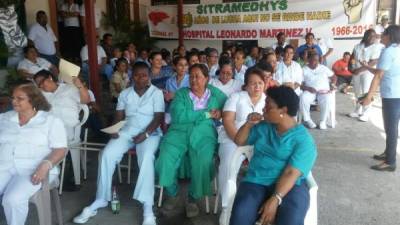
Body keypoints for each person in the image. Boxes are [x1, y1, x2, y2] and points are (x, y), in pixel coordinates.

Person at [73, 62, 165, 225]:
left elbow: (158, 117)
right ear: (132, 76)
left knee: (146, 158)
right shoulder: (125, 93)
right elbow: (119, 115)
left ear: (149, 76)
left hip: (150, 133)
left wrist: (145, 134)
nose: (140, 78)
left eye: (144, 75)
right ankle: (101, 198)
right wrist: (114, 129)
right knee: (107, 154)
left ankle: (148, 207)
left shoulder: (156, 93)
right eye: (137, 75)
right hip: (127, 131)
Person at [230, 85, 317, 225]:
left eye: (268, 106)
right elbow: (239, 141)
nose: (263, 109)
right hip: (256, 180)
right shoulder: (264, 127)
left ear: (283, 110)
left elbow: (291, 172)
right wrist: (248, 124)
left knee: (292, 219)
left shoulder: (304, 140)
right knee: (241, 214)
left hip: (290, 185)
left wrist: (275, 199)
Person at [156, 63, 227, 218]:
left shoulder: (216, 95)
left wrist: (221, 112)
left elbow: (228, 110)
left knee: (204, 161)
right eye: (191, 76)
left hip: (204, 133)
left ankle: (193, 198)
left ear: (207, 78)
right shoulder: (181, 94)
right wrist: (206, 114)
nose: (194, 80)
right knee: (164, 158)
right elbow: (179, 116)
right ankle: (173, 194)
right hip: (178, 132)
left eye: (198, 76)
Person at [0, 83, 67, 225]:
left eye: (20, 98)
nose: (14, 101)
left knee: (12, 199)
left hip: (33, 170)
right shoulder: (4, 119)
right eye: (13, 97)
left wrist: (45, 165)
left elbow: (61, 149)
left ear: (33, 100)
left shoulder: (50, 121)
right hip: (4, 166)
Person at [217, 68, 266, 225]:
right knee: (228, 166)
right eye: (252, 83)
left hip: (258, 142)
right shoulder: (236, 97)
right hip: (232, 138)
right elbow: (228, 120)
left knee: (266, 166)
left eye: (260, 83)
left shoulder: (268, 100)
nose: (256, 87)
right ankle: (226, 207)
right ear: (245, 85)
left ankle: (259, 208)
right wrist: (238, 140)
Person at [33, 70, 90, 189]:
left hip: (69, 128)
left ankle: (62, 180)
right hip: (49, 129)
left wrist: (79, 86)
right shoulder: (41, 95)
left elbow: (86, 101)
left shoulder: (69, 89)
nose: (42, 86)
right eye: (39, 85)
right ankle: (45, 178)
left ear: (50, 78)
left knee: (55, 144)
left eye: (42, 82)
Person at [360, 25, 400, 172]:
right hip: (396, 93)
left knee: (391, 128)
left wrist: (368, 97)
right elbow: (379, 71)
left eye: (383, 34)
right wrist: (367, 67)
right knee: (391, 127)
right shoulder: (396, 49)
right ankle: (388, 153)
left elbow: (378, 76)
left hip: (392, 95)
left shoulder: (388, 52)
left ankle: (390, 161)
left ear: (390, 36)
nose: (381, 37)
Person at [348, 29, 381, 122]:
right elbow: (352, 57)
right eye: (369, 36)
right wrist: (350, 67)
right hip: (356, 71)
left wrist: (359, 70)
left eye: (374, 36)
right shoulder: (358, 46)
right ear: (365, 36)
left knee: (366, 92)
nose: (372, 38)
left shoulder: (376, 47)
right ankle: (357, 109)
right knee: (357, 92)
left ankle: (366, 113)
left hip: (368, 72)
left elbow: (373, 62)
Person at [300, 52, 336, 130]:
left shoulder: (323, 68)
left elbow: (334, 77)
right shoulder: (303, 69)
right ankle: (307, 120)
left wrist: (332, 84)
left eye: (317, 60)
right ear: (308, 60)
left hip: (323, 91)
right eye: (313, 60)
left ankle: (323, 121)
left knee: (327, 99)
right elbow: (300, 84)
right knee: (303, 98)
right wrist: (308, 88)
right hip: (310, 91)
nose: (315, 62)